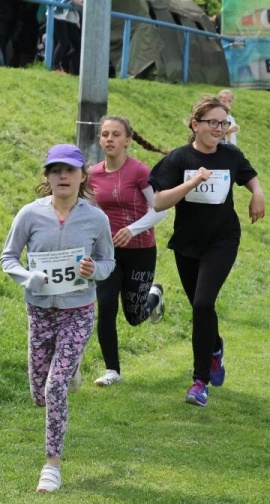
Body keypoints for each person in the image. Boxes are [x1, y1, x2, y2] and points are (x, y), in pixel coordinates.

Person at [0, 144, 115, 492]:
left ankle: (52, 466)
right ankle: (70, 372)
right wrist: (27, 277)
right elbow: (8, 257)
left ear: (82, 176)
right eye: (55, 170)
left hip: (78, 311)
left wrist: (94, 270)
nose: (62, 176)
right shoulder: (29, 214)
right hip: (40, 312)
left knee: (54, 387)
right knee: (40, 393)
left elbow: (108, 262)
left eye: (69, 170)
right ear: (47, 176)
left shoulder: (96, 218)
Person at [149, 95, 266, 406]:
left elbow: (249, 175)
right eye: (212, 122)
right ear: (195, 124)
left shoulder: (231, 155)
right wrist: (191, 183)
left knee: (203, 303)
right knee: (201, 308)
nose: (218, 128)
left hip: (222, 240)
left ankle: (199, 382)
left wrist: (257, 193)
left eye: (223, 123)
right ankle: (214, 346)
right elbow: (158, 202)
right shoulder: (179, 159)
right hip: (187, 243)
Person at [87, 116, 167, 387]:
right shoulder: (93, 174)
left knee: (134, 316)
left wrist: (132, 230)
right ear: (100, 140)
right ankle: (112, 370)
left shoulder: (139, 171)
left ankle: (154, 295)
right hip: (107, 254)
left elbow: (160, 209)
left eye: (116, 134)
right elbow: (90, 212)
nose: (109, 139)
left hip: (140, 250)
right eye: (105, 134)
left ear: (127, 141)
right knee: (106, 305)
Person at [52, 0, 82, 74]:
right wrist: (85, 6)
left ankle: (62, 62)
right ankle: (55, 67)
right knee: (63, 42)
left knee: (78, 46)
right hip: (59, 14)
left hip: (69, 17)